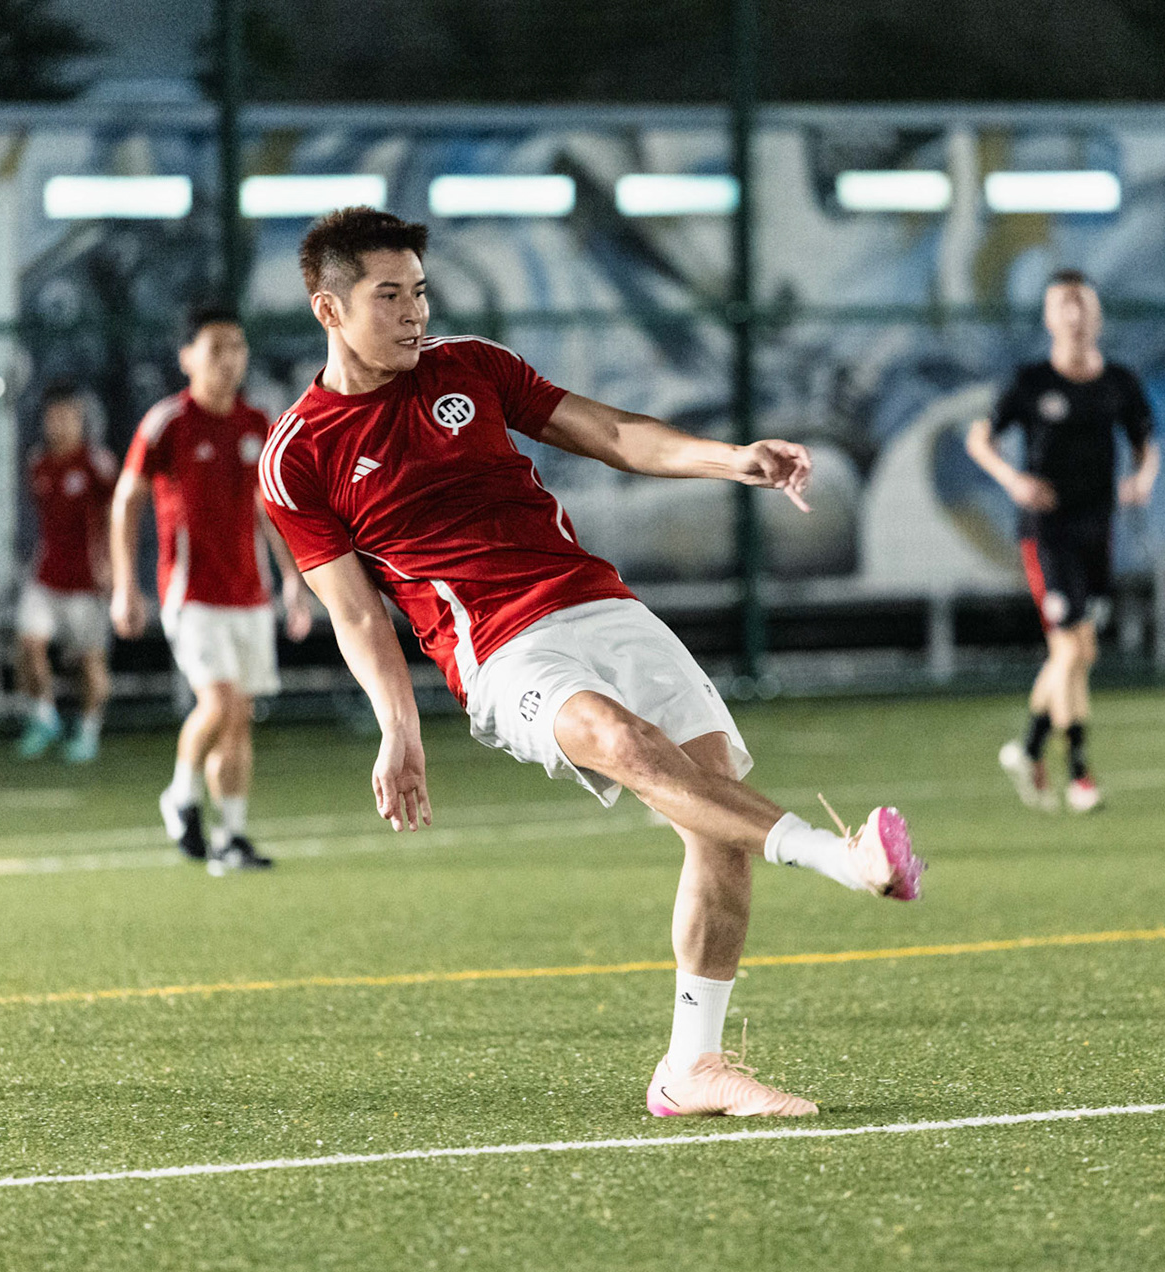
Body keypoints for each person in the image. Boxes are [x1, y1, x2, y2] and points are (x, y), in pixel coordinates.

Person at [261, 206, 924, 1119]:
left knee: (713, 807)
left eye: (419, 290)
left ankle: (693, 1067)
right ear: (327, 309)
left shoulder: (473, 369)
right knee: (619, 738)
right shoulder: (298, 458)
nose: (415, 312)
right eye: (389, 296)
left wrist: (733, 460)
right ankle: (839, 857)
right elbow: (356, 616)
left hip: (600, 605)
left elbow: (611, 434)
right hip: (499, 649)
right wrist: (398, 730)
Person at [110, 305, 314, 875]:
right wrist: (126, 584)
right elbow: (127, 499)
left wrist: (293, 583)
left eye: (238, 348)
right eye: (216, 347)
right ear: (187, 357)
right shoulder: (168, 422)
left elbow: (271, 512)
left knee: (239, 717)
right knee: (219, 702)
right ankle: (179, 797)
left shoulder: (259, 424)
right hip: (191, 593)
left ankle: (231, 838)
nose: (230, 360)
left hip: (250, 594)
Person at [966, 269, 1159, 814]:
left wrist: (1142, 481)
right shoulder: (1030, 381)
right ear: (1049, 317)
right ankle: (1079, 773)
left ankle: (1028, 749)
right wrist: (1013, 481)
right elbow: (979, 439)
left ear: (1096, 315)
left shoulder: (1118, 381)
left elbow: (1147, 444)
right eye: (1063, 305)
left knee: (1079, 651)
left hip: (1097, 531)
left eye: (1083, 305)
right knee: (1072, 648)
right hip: (1046, 534)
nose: (1074, 316)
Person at [15, 383, 117, 763]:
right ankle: (44, 717)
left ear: (80, 420)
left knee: (90, 661)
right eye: (53, 417)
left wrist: (111, 565)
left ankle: (89, 731)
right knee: (28, 643)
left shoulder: (97, 464)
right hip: (46, 576)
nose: (59, 425)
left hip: (88, 581)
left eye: (67, 417)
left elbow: (116, 514)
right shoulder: (38, 464)